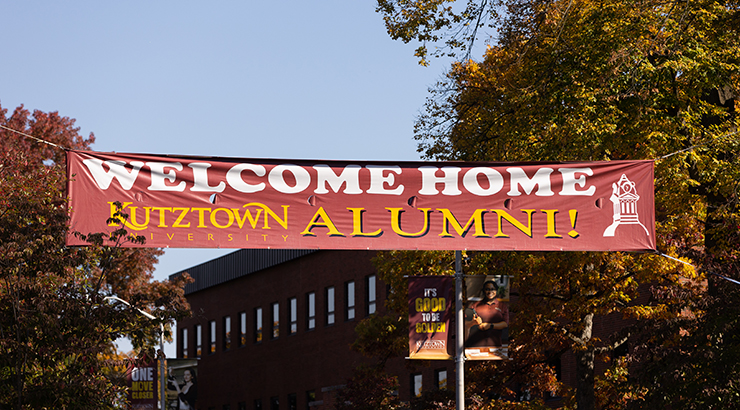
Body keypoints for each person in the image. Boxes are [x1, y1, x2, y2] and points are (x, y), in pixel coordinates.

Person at [466, 280, 509, 348]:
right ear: (483, 291)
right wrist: (473, 323)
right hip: (476, 346)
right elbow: (466, 324)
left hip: (495, 346)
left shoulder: (502, 306)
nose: (490, 292)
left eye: (492, 289)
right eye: (487, 289)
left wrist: (490, 325)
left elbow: (505, 324)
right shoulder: (475, 305)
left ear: (496, 291)